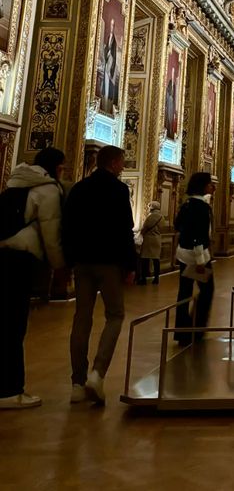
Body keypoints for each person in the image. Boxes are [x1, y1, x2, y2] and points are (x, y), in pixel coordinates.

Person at [63, 144, 136, 405]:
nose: (123, 167)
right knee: (115, 315)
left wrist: (68, 261)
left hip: (82, 262)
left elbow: (67, 226)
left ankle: (77, 383)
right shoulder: (119, 190)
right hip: (109, 263)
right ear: (114, 163)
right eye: (122, 162)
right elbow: (125, 229)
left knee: (81, 319)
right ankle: (97, 373)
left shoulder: (79, 188)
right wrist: (131, 265)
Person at [0, 147, 66, 410]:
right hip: (20, 259)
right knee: (14, 325)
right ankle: (9, 390)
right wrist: (59, 266)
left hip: (3, 253)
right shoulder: (48, 189)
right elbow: (51, 231)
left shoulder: (16, 182)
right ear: (55, 167)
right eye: (62, 167)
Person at [173, 172, 215, 344]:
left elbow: (177, 225)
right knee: (207, 290)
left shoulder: (187, 204)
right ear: (203, 186)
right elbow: (199, 235)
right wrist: (200, 261)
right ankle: (196, 329)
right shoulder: (201, 207)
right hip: (198, 257)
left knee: (184, 292)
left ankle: (181, 332)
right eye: (210, 183)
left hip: (183, 254)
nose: (212, 186)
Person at [136, 200, 162, 285]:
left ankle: (143, 279)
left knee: (145, 259)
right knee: (156, 260)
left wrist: (140, 234)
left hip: (148, 240)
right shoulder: (162, 217)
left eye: (149, 206)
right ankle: (156, 278)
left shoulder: (150, 216)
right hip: (157, 239)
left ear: (152, 207)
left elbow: (145, 227)